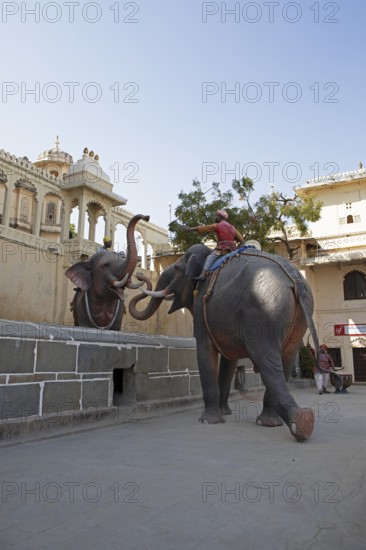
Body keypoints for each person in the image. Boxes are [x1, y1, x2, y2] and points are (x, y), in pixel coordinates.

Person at [183, 210, 245, 281]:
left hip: (222, 249)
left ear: (220, 217)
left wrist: (190, 229)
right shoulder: (232, 228)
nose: (216, 217)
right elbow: (241, 239)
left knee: (210, 257)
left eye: (217, 216)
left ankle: (203, 274)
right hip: (233, 250)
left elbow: (204, 228)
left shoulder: (217, 225)